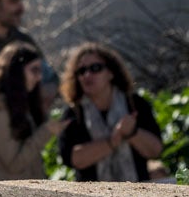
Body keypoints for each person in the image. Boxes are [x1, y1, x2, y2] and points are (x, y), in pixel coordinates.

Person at [0, 42, 69, 181]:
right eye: (34, 70)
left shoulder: (19, 106)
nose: (39, 77)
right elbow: (14, 164)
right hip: (4, 192)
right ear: (16, 71)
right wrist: (46, 131)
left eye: (40, 70)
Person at [58, 42, 163, 182]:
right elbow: (72, 159)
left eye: (95, 68)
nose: (87, 75)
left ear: (111, 73)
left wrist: (132, 132)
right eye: (81, 71)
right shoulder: (73, 114)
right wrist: (112, 141)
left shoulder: (135, 104)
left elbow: (156, 151)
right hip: (91, 195)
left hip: (136, 192)